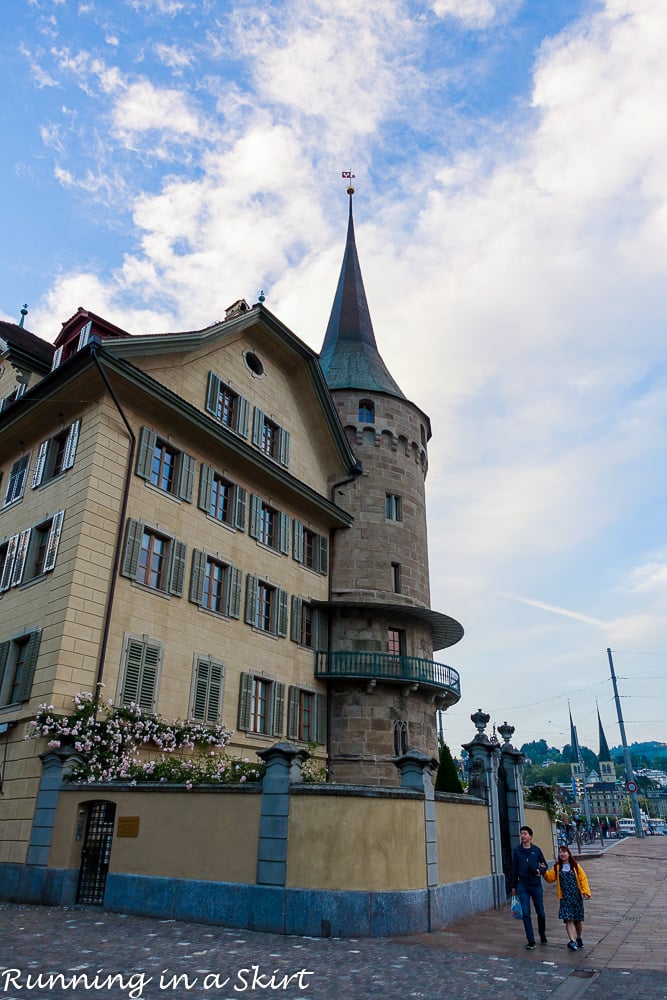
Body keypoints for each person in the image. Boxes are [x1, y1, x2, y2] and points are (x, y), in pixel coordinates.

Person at [543, 844, 591, 951]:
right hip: (565, 898)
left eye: (564, 852)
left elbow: (583, 878)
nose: (562, 854)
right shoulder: (557, 867)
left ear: (569, 854)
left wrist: (585, 892)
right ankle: (572, 941)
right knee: (568, 919)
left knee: (578, 920)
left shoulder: (575, 866)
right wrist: (543, 871)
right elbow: (550, 878)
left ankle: (578, 937)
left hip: (576, 896)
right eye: (560, 852)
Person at [511, 825, 548, 949]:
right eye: (521, 833)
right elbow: (514, 869)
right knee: (526, 912)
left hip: (535, 884)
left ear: (530, 836)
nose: (523, 836)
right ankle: (530, 940)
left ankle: (542, 934)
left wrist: (540, 871)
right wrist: (513, 886)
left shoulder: (536, 850)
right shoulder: (517, 851)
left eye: (525, 833)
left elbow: (544, 864)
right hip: (522, 885)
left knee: (540, 912)